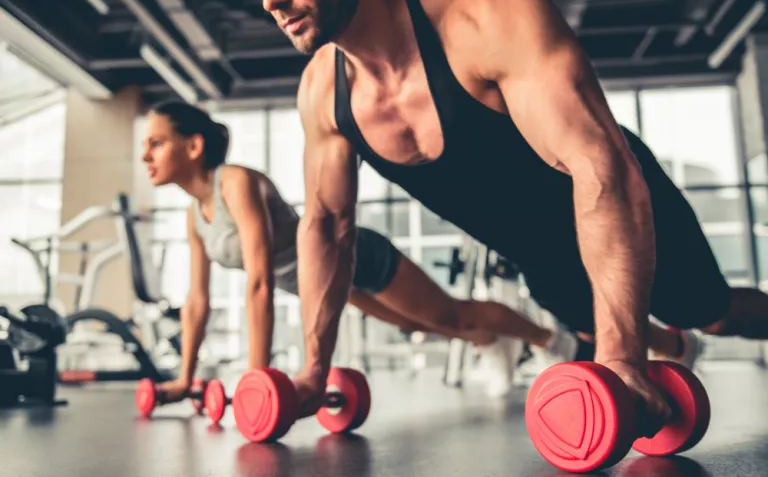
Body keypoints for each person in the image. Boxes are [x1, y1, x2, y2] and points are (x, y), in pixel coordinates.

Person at [265, 0, 768, 436]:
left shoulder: (483, 15)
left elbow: (599, 166)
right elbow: (328, 227)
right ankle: (672, 348)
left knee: (712, 313)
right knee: (589, 328)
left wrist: (621, 358)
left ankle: (681, 335)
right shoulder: (322, 93)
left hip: (622, 209)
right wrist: (313, 371)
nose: (271, 0)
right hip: (540, 261)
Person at [140, 100, 583, 401]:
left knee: (451, 315)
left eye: (156, 143)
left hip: (354, 256)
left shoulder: (234, 182)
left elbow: (259, 281)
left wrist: (258, 379)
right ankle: (490, 343)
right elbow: (197, 302)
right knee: (417, 324)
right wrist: (184, 377)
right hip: (329, 285)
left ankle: (551, 339)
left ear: (194, 146)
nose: (145, 156)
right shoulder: (194, 217)